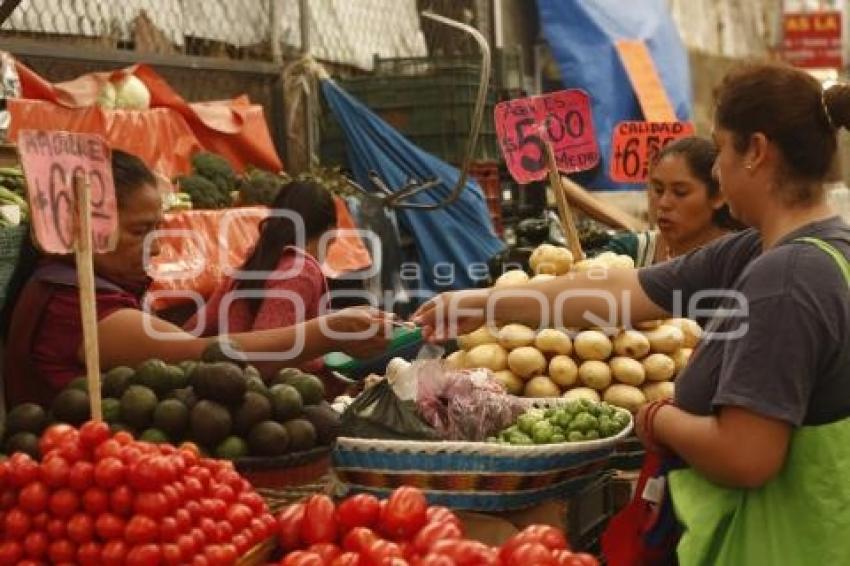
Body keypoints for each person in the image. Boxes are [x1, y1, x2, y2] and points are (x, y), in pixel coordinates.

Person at [414, 62, 850, 563]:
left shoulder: (787, 276)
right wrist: (483, 302)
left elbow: (745, 456)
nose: (715, 170)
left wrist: (658, 419)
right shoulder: (785, 249)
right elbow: (623, 293)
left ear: (755, 151)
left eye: (721, 149)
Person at [1, 150, 391, 406]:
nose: (155, 249)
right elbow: (208, 357)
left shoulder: (55, 284)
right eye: (140, 231)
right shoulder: (76, 309)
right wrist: (331, 331)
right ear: (81, 228)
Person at [190, 180, 336, 336]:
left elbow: (195, 328)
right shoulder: (301, 273)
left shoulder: (257, 260)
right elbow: (268, 353)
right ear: (330, 232)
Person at [600, 136, 740, 266]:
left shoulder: (743, 258)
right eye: (658, 190)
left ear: (717, 196)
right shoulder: (629, 252)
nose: (663, 203)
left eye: (680, 192)